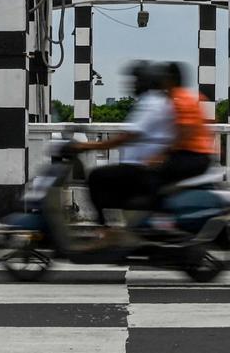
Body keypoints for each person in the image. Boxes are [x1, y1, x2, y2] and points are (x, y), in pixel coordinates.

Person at [69, 61, 172, 231]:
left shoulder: (151, 103)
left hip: (142, 169)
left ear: (146, 81)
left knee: (97, 177)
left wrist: (88, 146)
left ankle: (105, 229)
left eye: (136, 81)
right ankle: (120, 229)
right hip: (143, 167)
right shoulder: (156, 102)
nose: (133, 85)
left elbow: (128, 137)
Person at [154, 61, 216, 186]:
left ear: (170, 80)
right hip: (195, 155)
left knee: (154, 180)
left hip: (191, 156)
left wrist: (162, 153)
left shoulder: (179, 100)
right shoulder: (189, 97)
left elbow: (184, 132)